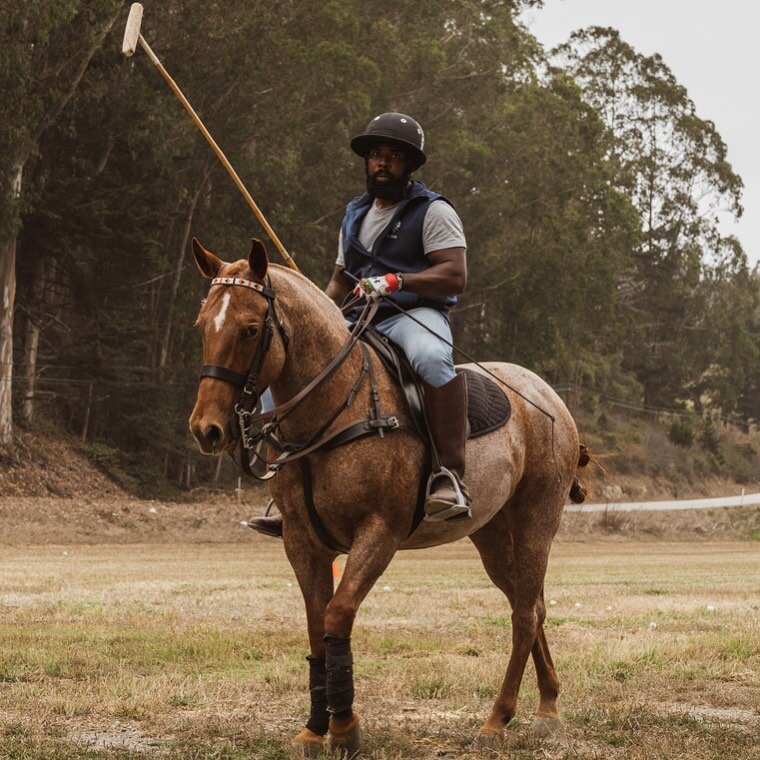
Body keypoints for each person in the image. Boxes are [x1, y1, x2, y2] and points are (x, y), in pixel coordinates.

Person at [250, 112, 470, 537]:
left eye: (392, 156)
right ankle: (286, 485)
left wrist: (398, 280)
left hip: (412, 313)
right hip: (355, 315)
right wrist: (316, 313)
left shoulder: (434, 211)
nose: (381, 164)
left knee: (432, 358)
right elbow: (339, 278)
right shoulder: (354, 212)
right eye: (375, 155)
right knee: (286, 364)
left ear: (409, 165)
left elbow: (454, 274)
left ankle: (449, 477)